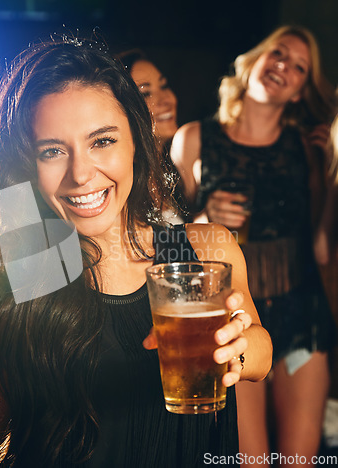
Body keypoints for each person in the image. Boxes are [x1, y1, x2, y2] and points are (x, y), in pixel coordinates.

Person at [0, 37, 272, 468]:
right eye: (52, 151)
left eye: (101, 141)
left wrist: (234, 348)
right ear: (28, 164)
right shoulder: (30, 269)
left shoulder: (199, 249)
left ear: (136, 142)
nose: (81, 174)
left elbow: (259, 351)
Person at [171, 25, 337, 466]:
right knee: (249, 460)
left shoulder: (306, 148)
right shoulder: (192, 139)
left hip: (303, 316)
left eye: (299, 67)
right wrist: (206, 219)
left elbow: (321, 243)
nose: (284, 66)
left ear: (301, 90)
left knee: (300, 461)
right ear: (254, 61)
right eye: (278, 53)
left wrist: (332, 168)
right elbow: (169, 241)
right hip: (234, 316)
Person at [116, 48, 188, 223]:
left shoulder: (177, 170)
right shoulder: (121, 185)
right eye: (146, 93)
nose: (167, 99)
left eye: (164, 86)